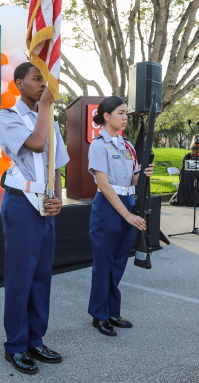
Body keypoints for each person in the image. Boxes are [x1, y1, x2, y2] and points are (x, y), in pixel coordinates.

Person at [0, 62, 69, 375]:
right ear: (18, 83)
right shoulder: (8, 116)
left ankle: (35, 339)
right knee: (20, 277)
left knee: (41, 274)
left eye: (44, 78)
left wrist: (58, 197)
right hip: (22, 202)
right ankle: (15, 345)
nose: (42, 84)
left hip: (45, 202)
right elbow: (37, 144)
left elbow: (56, 162)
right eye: (36, 78)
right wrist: (46, 109)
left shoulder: (47, 117)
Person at [88, 96, 153, 337]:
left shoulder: (127, 146)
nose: (125, 117)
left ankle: (113, 311)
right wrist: (126, 215)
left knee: (118, 263)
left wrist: (143, 174)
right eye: (120, 113)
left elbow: (133, 180)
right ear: (106, 116)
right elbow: (104, 185)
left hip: (128, 201)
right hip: (108, 206)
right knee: (104, 264)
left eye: (126, 113)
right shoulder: (98, 145)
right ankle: (99, 315)